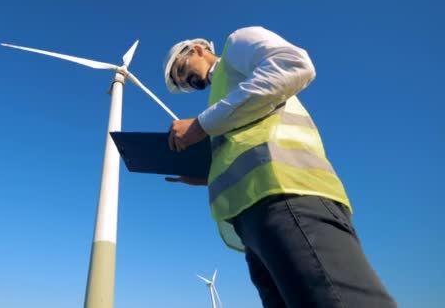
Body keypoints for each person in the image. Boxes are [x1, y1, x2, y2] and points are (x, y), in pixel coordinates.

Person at [163, 26, 396, 307]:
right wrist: (205, 175)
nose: (189, 82)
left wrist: (200, 125)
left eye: (183, 71)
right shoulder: (222, 101)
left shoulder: (237, 45)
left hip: (286, 193)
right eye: (184, 84)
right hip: (250, 219)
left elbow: (294, 65)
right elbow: (245, 145)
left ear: (197, 50)